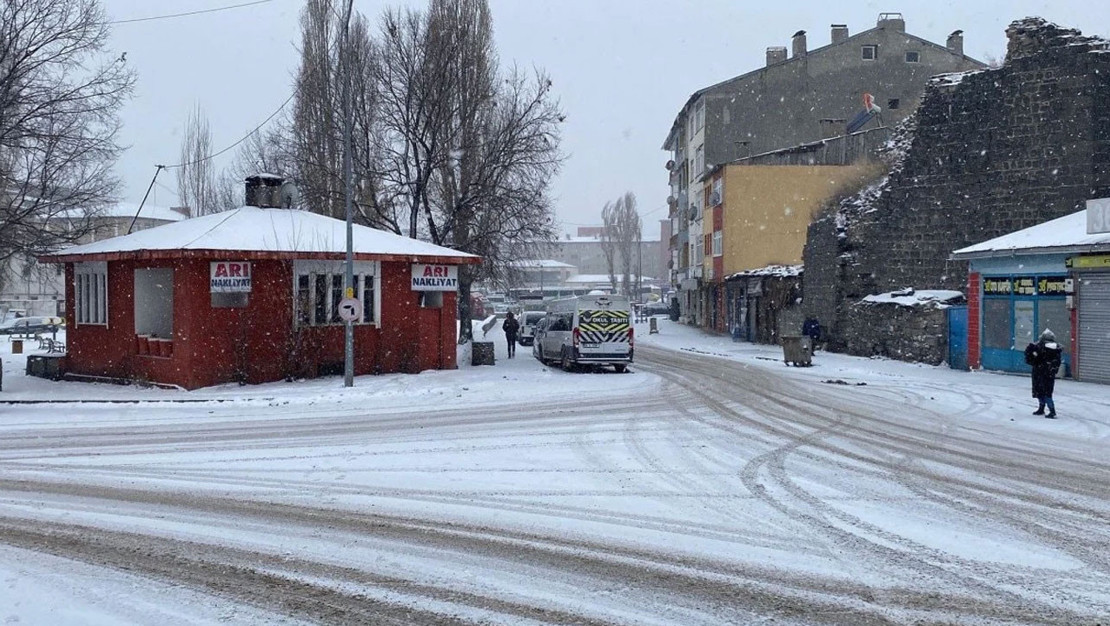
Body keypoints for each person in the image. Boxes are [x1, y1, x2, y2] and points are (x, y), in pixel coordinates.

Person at [1024, 328, 1062, 419]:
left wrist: (1033, 357)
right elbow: (1057, 362)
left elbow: (1030, 357)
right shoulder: (1056, 349)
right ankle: (1048, 409)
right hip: (1049, 373)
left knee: (1040, 391)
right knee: (1047, 392)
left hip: (1039, 372)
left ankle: (1048, 410)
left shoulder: (1038, 347)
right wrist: (1053, 369)